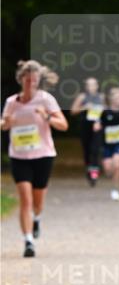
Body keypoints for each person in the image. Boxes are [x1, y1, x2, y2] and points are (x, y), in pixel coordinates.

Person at [1, 59, 68, 256]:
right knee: (25, 200)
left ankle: (37, 218)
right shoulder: (11, 102)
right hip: (19, 156)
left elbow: (63, 125)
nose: (31, 83)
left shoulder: (45, 99)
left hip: (43, 155)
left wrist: (46, 116)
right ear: (20, 80)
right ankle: (28, 241)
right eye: (28, 80)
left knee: (38, 204)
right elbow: (3, 124)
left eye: (35, 80)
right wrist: (7, 122)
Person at [70, 77, 104, 185]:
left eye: (93, 84)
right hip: (85, 126)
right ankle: (89, 169)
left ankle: (94, 174)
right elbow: (73, 111)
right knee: (87, 150)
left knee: (95, 150)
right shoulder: (82, 97)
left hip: (97, 126)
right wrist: (84, 107)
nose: (91, 87)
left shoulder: (102, 97)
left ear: (97, 86)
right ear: (86, 86)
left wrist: (101, 121)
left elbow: (107, 112)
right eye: (89, 84)